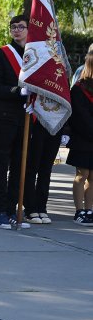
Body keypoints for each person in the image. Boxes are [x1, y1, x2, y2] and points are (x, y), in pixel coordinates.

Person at [0, 14, 31, 229]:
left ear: (29, 29)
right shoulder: (1, 55)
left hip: (27, 118)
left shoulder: (35, 55)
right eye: (13, 27)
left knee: (19, 166)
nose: (16, 30)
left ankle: (13, 208)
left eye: (21, 27)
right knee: (1, 165)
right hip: (6, 117)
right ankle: (0, 211)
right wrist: (18, 91)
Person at [68, 44, 93, 225]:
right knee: (82, 174)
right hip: (84, 137)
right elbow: (80, 115)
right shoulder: (79, 88)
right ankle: (79, 211)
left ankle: (89, 209)